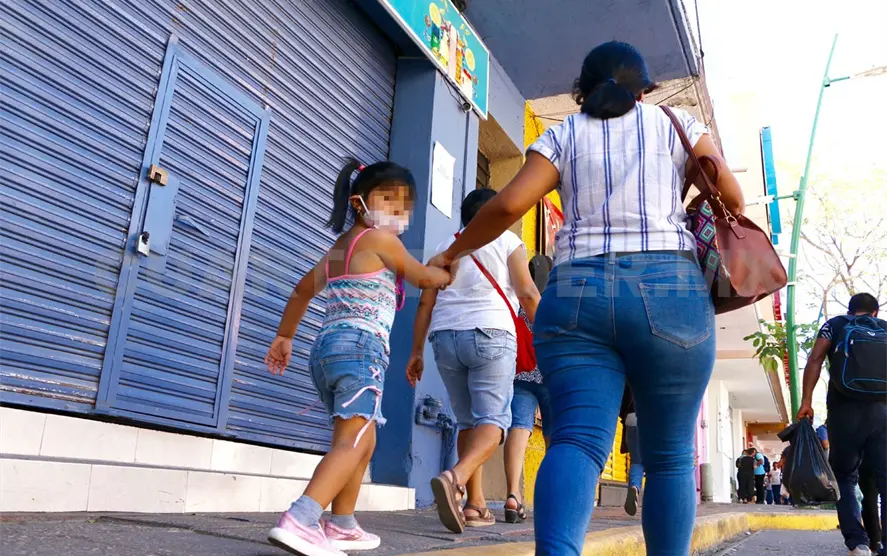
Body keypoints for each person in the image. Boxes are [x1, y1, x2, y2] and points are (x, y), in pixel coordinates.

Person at [426, 41, 745, 555]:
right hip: (670, 284)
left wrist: (452, 252)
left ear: (582, 91)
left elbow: (506, 206)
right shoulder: (678, 125)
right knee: (669, 457)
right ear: (645, 89)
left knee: (575, 439)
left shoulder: (564, 134)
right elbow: (733, 198)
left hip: (577, 287)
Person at [264, 160, 451, 556]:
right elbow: (422, 278)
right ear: (358, 202)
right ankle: (302, 518)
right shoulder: (380, 240)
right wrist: (444, 274)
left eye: (404, 208)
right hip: (360, 350)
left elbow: (302, 291)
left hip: (327, 351)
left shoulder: (341, 250)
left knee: (363, 439)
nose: (398, 214)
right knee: (355, 439)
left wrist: (285, 336)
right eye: (389, 202)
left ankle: (342, 523)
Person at [407, 188, 541, 533]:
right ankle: (456, 477)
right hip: (491, 333)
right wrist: (551, 337)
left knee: (468, 422)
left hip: (445, 337)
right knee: (494, 422)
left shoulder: (443, 248)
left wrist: (416, 351)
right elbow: (527, 293)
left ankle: (474, 505)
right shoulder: (507, 240)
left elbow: (425, 303)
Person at [798, 293, 887, 556]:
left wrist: (806, 401)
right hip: (883, 412)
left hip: (844, 411)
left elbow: (815, 359)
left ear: (850, 310)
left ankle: (858, 543)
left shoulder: (835, 324)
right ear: (875, 312)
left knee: (845, 477)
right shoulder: (884, 327)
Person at [503, 257, 552, 525]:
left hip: (521, 374)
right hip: (551, 377)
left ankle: (513, 494)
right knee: (555, 439)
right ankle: (553, 500)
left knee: (518, 430)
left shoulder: (516, 300)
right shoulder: (553, 303)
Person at [619, 387, 643, 516]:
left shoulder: (630, 377)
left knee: (637, 461)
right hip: (653, 417)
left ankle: (634, 487)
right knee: (657, 464)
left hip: (631, 418)